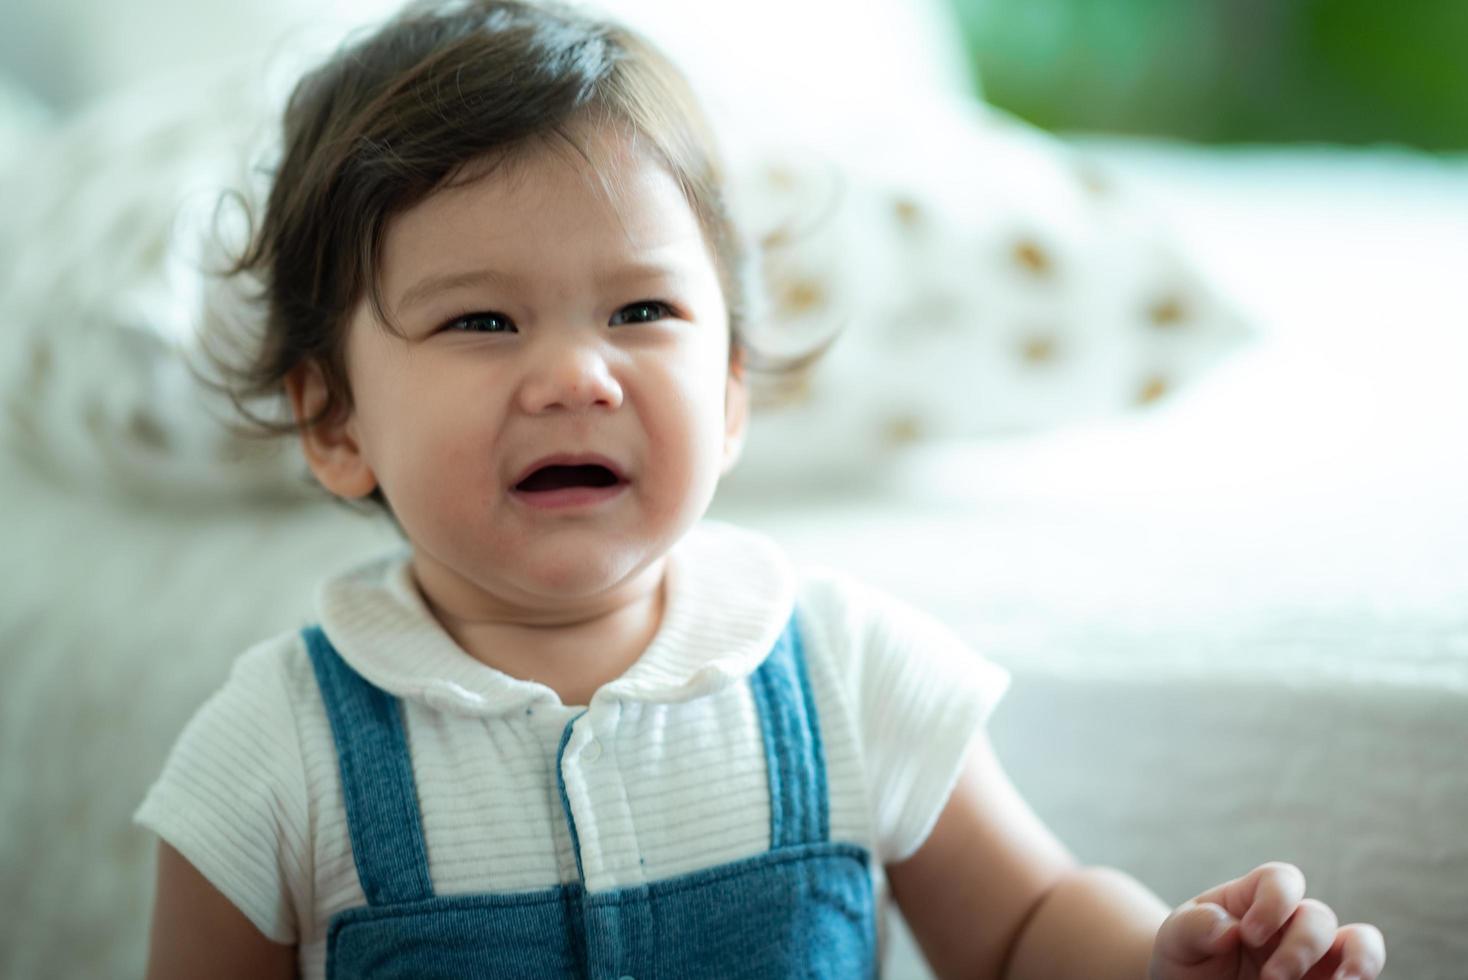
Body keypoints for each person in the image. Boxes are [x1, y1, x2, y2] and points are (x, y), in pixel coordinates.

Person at [137, 1, 1386, 978]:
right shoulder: (276, 753)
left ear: (728, 391)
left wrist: (1162, 957)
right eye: (479, 318)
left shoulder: (844, 667)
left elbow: (1022, 929)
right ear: (333, 419)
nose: (577, 373)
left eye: (640, 309)